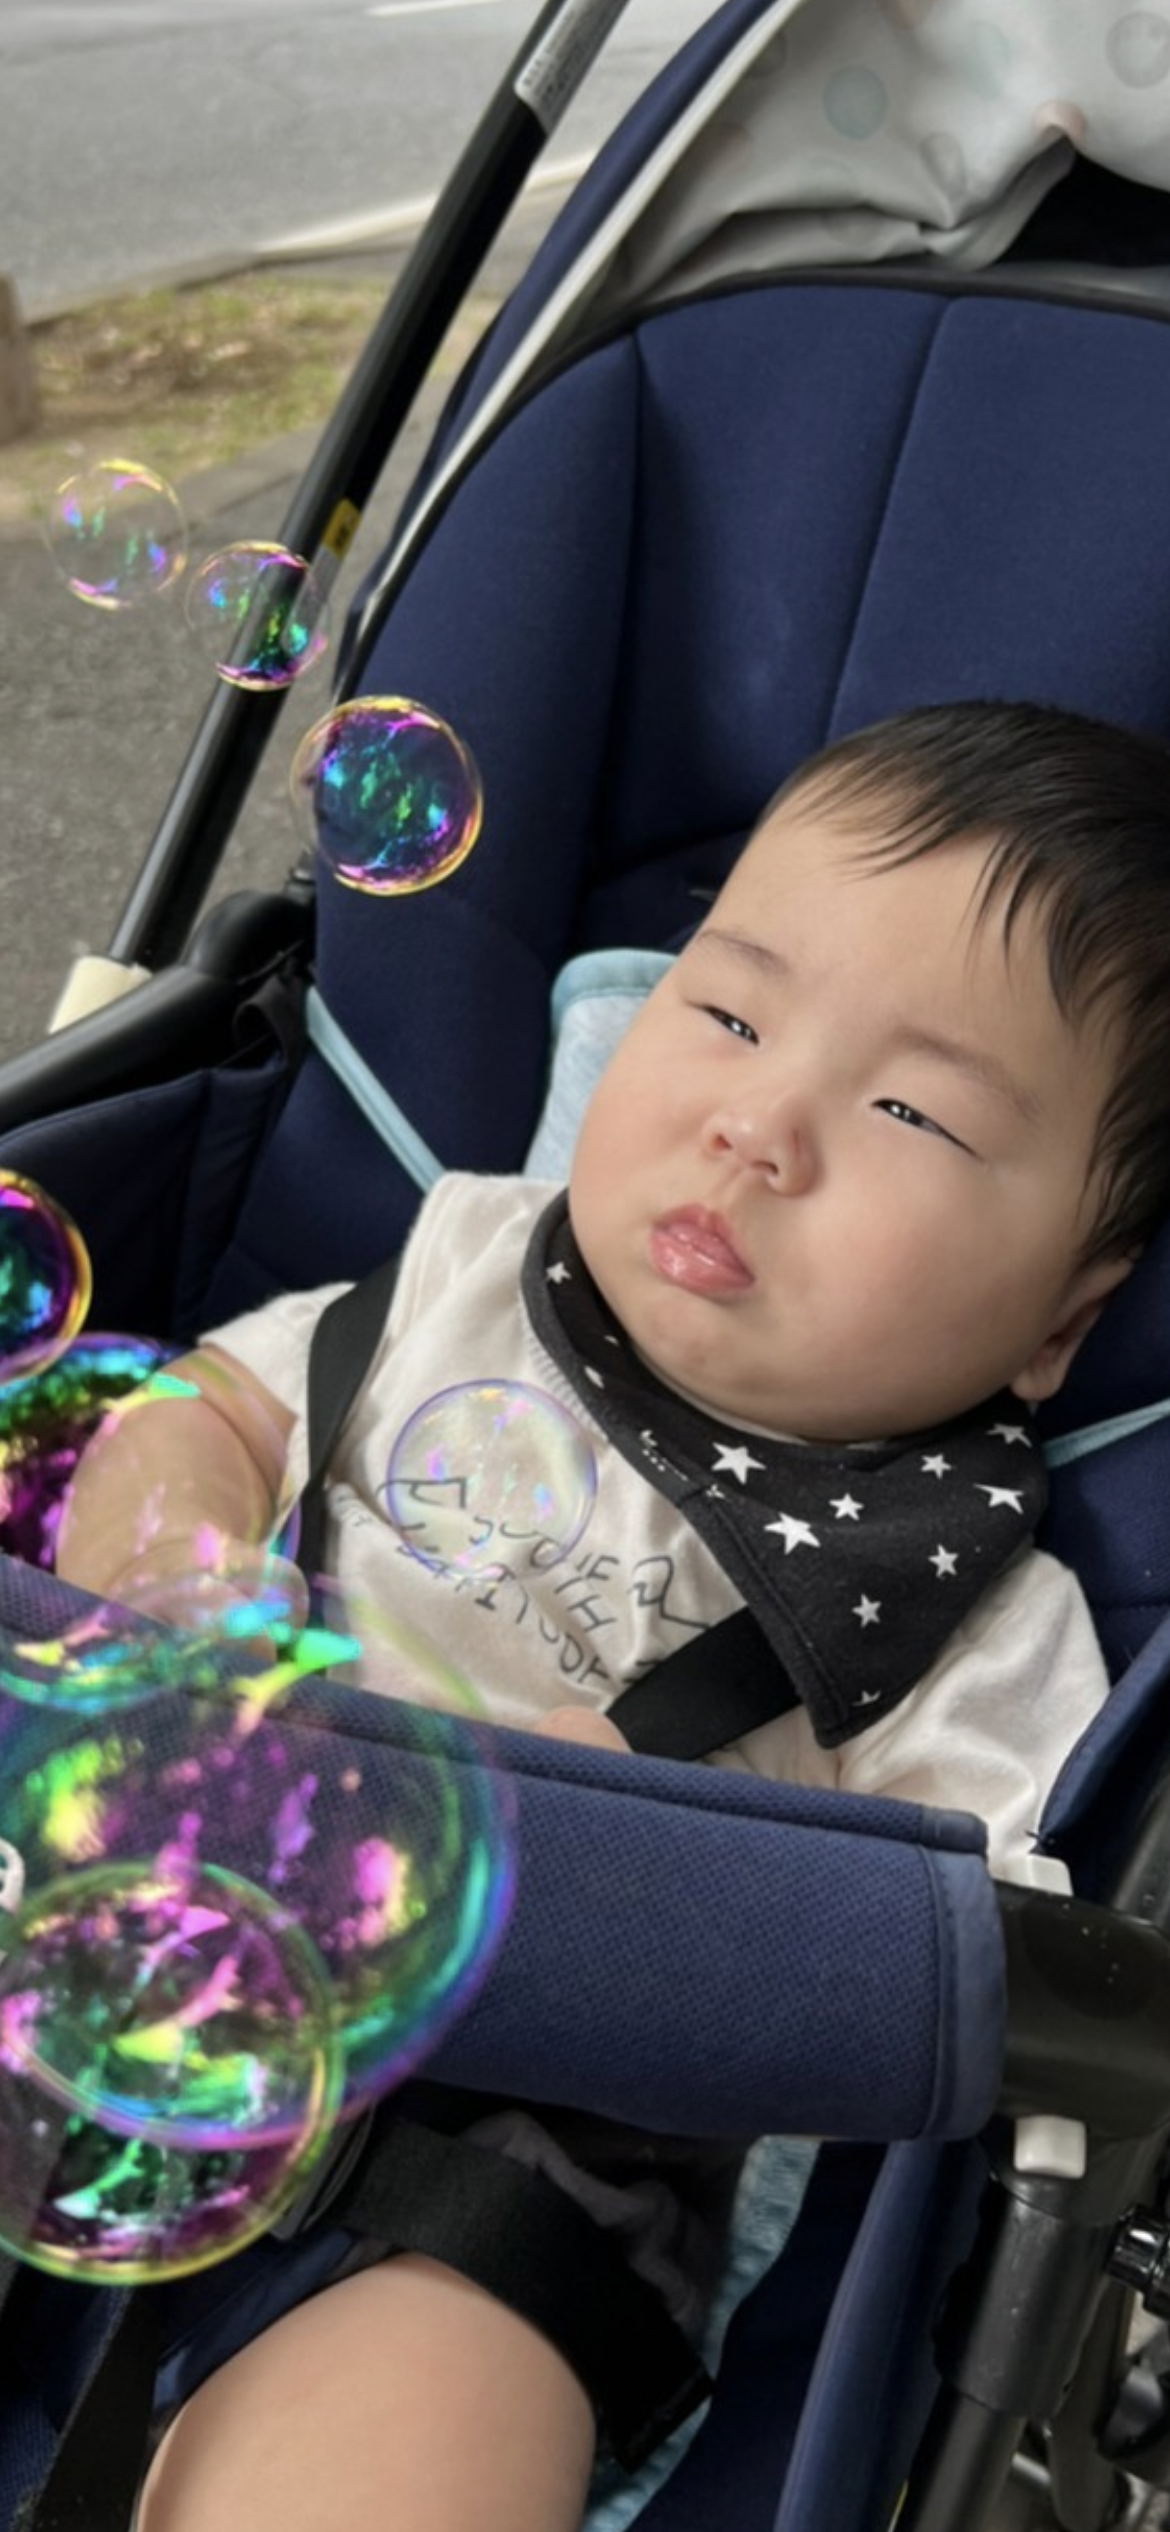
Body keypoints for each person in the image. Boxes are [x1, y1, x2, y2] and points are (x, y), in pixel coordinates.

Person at [55, 698, 1170, 2532]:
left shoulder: (969, 1612)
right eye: (725, 1013)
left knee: (424, 2430)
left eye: (910, 1111)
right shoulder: (467, 1268)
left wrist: (634, 1847)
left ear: (1061, 1319)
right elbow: (217, 1407)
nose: (758, 1125)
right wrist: (170, 1562)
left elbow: (954, 1971)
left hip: (513, 2167)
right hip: (135, 1907)